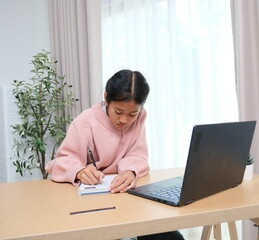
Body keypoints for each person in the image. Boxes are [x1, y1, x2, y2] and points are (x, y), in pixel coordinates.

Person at [45, 69, 184, 240]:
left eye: (132, 114)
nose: (124, 120)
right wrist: (80, 171)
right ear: (106, 98)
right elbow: (61, 162)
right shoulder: (85, 122)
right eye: (118, 112)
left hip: (128, 200)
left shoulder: (140, 117)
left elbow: (138, 155)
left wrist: (130, 171)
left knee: (172, 238)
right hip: (91, 206)